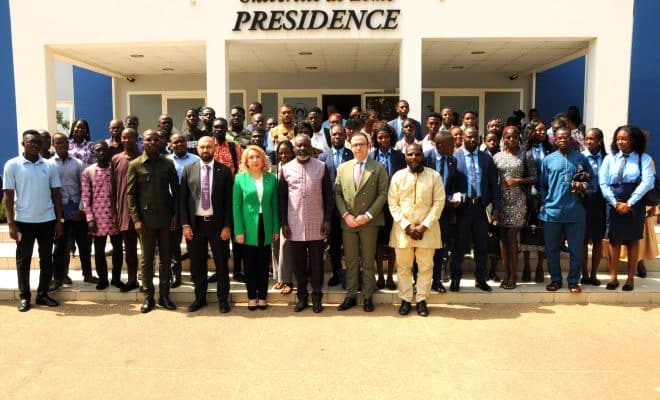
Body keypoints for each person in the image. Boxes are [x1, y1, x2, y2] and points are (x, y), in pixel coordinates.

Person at [3, 130, 64, 312]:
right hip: (23, 222)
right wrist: (11, 223)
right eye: (31, 142)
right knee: (24, 260)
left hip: (47, 220)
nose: (35, 145)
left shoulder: (49, 165)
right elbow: (8, 196)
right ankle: (24, 297)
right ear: (23, 144)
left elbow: (56, 195)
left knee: (47, 259)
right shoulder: (12, 165)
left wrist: (59, 220)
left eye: (38, 142)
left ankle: (43, 294)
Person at [278, 134, 333, 313]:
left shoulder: (322, 167)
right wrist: (284, 223)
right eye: (299, 146)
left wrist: (327, 220)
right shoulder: (285, 169)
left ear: (311, 148)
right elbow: (281, 199)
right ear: (294, 148)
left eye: (305, 146)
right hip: (294, 225)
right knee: (299, 264)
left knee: (317, 264)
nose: (302, 149)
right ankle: (302, 297)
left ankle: (317, 297)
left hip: (318, 224)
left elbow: (328, 196)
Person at [388, 143, 445, 316]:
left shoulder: (434, 176)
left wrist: (423, 226)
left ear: (423, 156)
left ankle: (421, 300)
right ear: (405, 157)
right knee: (404, 267)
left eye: (417, 154)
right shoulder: (398, 176)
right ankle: (405, 299)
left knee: (425, 267)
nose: (414, 158)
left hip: (427, 230)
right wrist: (407, 226)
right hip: (402, 230)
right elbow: (393, 203)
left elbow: (439, 202)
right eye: (410, 154)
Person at [127, 129, 180, 313]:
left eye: (156, 139)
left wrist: (176, 215)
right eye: (148, 139)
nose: (152, 142)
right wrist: (136, 220)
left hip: (166, 219)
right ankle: (148, 297)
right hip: (146, 222)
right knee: (147, 260)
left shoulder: (167, 163)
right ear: (142, 142)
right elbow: (131, 195)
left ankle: (164, 296)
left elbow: (176, 191)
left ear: (161, 142)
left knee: (166, 259)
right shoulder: (135, 165)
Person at [335, 132, 389, 312]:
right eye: (355, 144)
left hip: (369, 222)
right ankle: (350, 295)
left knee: (367, 260)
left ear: (368, 146)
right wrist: (346, 216)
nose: (358, 147)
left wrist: (367, 215)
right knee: (350, 260)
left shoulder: (379, 167)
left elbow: (383, 194)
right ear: (350, 145)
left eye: (362, 144)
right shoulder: (343, 168)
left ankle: (367, 296)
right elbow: (337, 193)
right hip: (348, 222)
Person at [180, 136, 233, 313]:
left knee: (221, 265)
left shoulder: (224, 171)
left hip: (218, 226)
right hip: (196, 226)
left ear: (214, 149)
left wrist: (227, 226)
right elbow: (183, 200)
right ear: (197, 149)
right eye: (202, 147)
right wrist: (185, 225)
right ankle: (199, 298)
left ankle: (223, 300)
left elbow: (229, 202)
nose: (205, 150)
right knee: (197, 265)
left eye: (208, 147)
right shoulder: (188, 170)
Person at [599, 125, 654, 291]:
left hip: (634, 203)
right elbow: (603, 182)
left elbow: (648, 182)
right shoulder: (610, 158)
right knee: (614, 240)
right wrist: (614, 202)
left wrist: (630, 203)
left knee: (632, 240)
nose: (620, 142)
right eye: (618, 139)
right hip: (613, 202)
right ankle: (613, 278)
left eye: (624, 138)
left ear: (633, 140)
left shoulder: (643, 158)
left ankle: (630, 279)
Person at [539, 127, 592, 293]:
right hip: (552, 212)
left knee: (576, 249)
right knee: (552, 249)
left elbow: (592, 180)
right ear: (555, 140)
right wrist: (545, 202)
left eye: (565, 137)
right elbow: (542, 185)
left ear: (571, 139)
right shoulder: (548, 160)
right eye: (559, 138)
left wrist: (583, 186)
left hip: (575, 211)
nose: (562, 140)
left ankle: (573, 281)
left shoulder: (581, 158)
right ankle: (555, 280)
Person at [450, 127, 497, 292]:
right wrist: (451, 205)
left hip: (481, 208)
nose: (472, 139)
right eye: (469, 136)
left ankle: (481, 279)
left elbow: (493, 185)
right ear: (463, 137)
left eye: (475, 137)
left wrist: (495, 207)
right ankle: (455, 279)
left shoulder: (487, 158)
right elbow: (450, 184)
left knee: (481, 246)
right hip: (462, 208)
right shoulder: (454, 157)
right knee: (458, 246)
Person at [233, 145, 279, 310]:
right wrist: (238, 230)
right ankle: (252, 297)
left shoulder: (271, 178)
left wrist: (275, 228)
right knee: (250, 264)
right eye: (251, 157)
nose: (255, 160)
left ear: (263, 159)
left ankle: (263, 297)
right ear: (246, 160)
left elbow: (274, 205)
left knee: (263, 263)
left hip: (266, 225)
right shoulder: (240, 178)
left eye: (257, 157)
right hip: (247, 227)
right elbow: (236, 207)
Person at [50, 132, 96, 290]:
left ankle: (88, 274)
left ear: (68, 144)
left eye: (64, 142)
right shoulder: (49, 164)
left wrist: (81, 209)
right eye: (58, 143)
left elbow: (86, 187)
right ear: (53, 145)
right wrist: (58, 213)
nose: (62, 145)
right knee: (61, 246)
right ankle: (60, 276)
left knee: (84, 244)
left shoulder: (78, 163)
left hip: (77, 209)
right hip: (60, 211)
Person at [492, 126, 537, 289]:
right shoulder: (496, 156)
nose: (510, 140)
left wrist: (517, 181)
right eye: (507, 137)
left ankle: (513, 276)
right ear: (503, 138)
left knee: (512, 237)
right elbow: (493, 181)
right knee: (503, 239)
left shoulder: (526, 154)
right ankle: (506, 273)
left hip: (519, 200)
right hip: (501, 201)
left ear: (519, 137)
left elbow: (534, 178)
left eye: (513, 136)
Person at [82, 140, 123, 290]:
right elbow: (86, 197)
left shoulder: (116, 170)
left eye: (104, 150)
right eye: (98, 150)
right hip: (97, 219)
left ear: (108, 151)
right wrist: (89, 219)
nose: (101, 153)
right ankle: (103, 279)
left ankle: (116, 279)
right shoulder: (88, 171)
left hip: (115, 217)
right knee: (99, 251)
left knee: (118, 248)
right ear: (93, 152)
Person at [368, 123, 405, 290]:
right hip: (376, 205)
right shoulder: (371, 156)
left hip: (395, 205)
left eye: (386, 137)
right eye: (380, 137)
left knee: (392, 242)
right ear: (376, 139)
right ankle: (380, 277)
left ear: (391, 138)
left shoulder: (399, 156)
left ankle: (390, 276)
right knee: (377, 243)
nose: (383, 140)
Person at [318, 125, 354, 287]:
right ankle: (336, 273)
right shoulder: (322, 157)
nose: (337, 136)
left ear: (346, 135)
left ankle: (350, 275)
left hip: (349, 208)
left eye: (340, 134)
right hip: (329, 209)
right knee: (333, 244)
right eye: (334, 134)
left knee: (349, 244)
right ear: (330, 137)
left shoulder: (352, 155)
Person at [424, 132, 458, 292]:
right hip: (424, 212)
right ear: (439, 145)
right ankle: (420, 282)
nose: (454, 147)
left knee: (439, 247)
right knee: (423, 249)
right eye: (451, 144)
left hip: (444, 213)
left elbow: (452, 186)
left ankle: (436, 281)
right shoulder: (424, 158)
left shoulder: (452, 160)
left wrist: (452, 199)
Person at [211, 117, 244, 283]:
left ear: (226, 129)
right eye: (216, 127)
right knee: (218, 239)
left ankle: (237, 271)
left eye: (222, 127)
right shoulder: (208, 147)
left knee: (236, 236)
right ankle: (220, 271)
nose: (218, 130)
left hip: (233, 196)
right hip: (214, 200)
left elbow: (241, 170)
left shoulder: (234, 147)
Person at [520, 120, 552, 282]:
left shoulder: (550, 149)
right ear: (531, 132)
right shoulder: (525, 150)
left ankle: (540, 266)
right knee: (527, 229)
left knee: (543, 231)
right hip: (528, 194)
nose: (541, 132)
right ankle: (526, 265)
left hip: (547, 195)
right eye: (537, 130)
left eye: (543, 130)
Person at [167, 133, 200, 288]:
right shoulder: (166, 161)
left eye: (182, 142)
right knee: (173, 243)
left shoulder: (196, 160)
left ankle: (195, 273)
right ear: (170, 144)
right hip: (172, 204)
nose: (179, 144)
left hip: (191, 203)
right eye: (176, 142)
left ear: (186, 144)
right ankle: (176, 275)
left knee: (193, 242)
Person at [111, 128, 141, 292]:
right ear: (120, 140)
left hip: (144, 212)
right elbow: (113, 189)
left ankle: (147, 279)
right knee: (129, 249)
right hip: (124, 211)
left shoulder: (144, 157)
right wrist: (114, 212)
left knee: (148, 249)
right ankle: (131, 279)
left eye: (131, 137)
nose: (127, 140)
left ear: (136, 138)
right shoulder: (116, 159)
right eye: (124, 137)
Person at [580, 128, 607, 286]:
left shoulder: (607, 158)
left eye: (592, 139)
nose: (589, 141)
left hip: (601, 202)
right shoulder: (580, 157)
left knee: (598, 239)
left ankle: (594, 274)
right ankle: (584, 274)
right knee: (583, 239)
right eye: (587, 139)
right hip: (584, 201)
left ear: (600, 141)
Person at [272, 140, 296, 294]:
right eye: (280, 153)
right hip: (273, 210)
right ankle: (279, 278)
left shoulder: (295, 167)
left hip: (289, 211)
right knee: (275, 244)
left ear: (292, 152)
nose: (283, 155)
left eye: (286, 152)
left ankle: (288, 279)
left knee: (285, 245)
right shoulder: (273, 168)